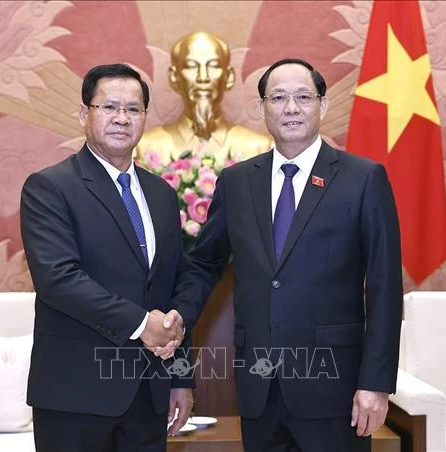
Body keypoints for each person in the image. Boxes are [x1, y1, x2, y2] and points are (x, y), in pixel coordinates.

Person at [167, 59, 403, 451]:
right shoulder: (237, 181)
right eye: (277, 97)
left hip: (335, 390)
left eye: (303, 97)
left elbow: (384, 288)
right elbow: (205, 263)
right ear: (262, 109)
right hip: (259, 387)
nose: (290, 108)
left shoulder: (363, 179)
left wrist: (375, 383)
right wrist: (178, 317)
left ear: (322, 106)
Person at [20, 63, 193, 452]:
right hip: (76, 396)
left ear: (145, 118)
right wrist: (139, 324)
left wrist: (180, 377)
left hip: (148, 396)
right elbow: (59, 280)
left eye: (133, 109)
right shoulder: (50, 187)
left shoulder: (161, 195)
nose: (121, 118)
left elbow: (172, 287)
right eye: (109, 106)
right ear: (85, 114)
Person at [135, 31, 273, 164]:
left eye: (213, 66)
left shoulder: (260, 148)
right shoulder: (145, 148)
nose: (203, 77)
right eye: (191, 66)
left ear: (229, 77)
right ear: (174, 77)